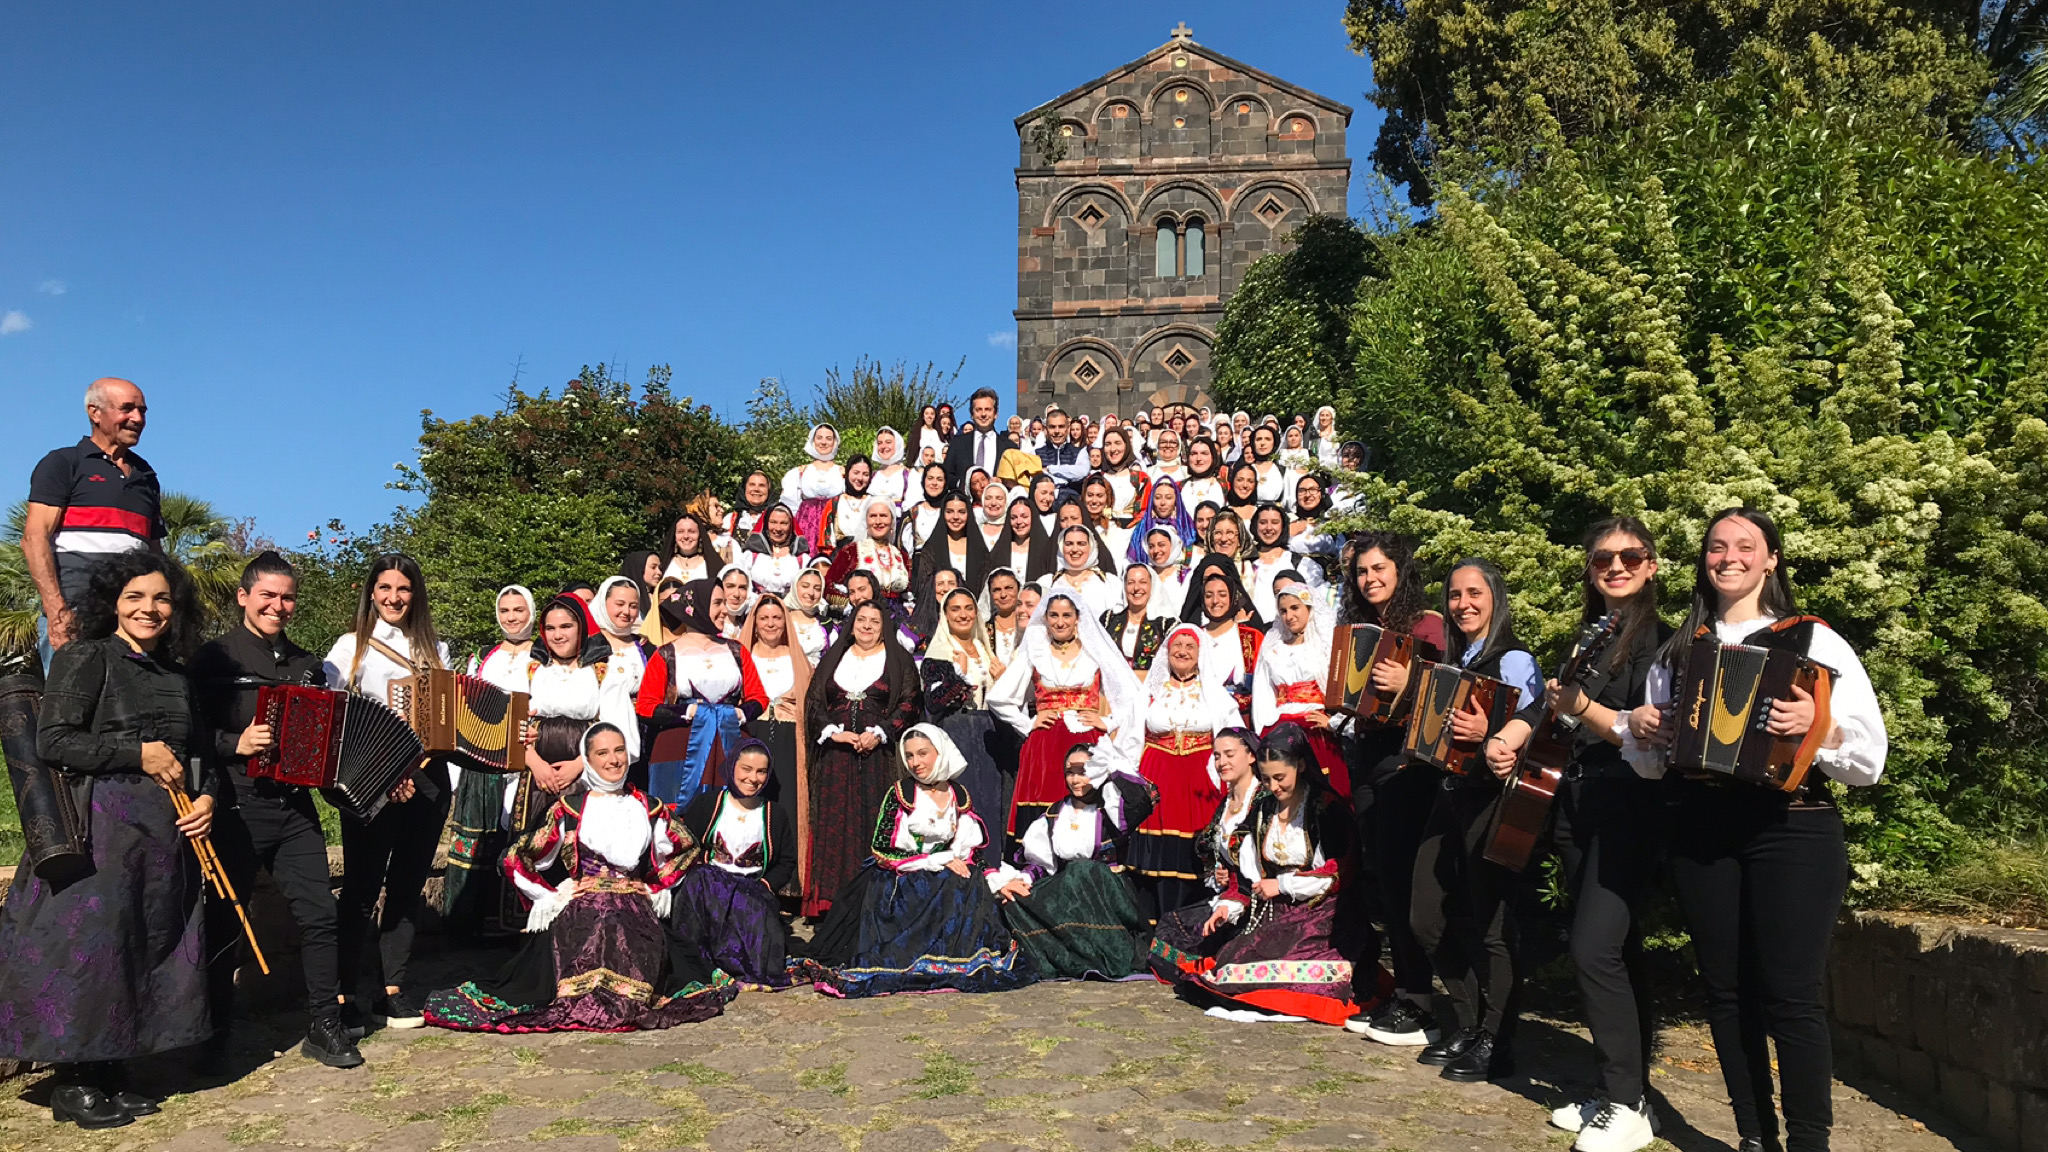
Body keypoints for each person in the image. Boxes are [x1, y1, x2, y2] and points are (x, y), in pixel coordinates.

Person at [1625, 509, 1886, 1152]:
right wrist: (1643, 731)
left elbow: (1869, 760)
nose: (1730, 556)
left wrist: (1816, 727)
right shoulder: (1678, 646)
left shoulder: (1814, 640)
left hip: (1792, 828)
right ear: (1704, 560)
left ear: (1771, 559)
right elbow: (1654, 765)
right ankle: (1753, 1136)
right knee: (1726, 991)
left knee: (1791, 996)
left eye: (1747, 546)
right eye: (1717, 546)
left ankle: (1808, 1142)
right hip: (1702, 828)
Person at [0, 552, 214, 1126]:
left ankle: (114, 1069)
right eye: (136, 597)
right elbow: (55, 741)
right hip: (101, 829)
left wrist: (206, 800)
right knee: (91, 951)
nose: (151, 609)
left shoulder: (175, 674)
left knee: (139, 948)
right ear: (113, 604)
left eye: (162, 598)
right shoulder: (85, 657)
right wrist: (136, 753)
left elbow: (199, 756)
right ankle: (76, 1082)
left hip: (163, 837)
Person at [1489, 519, 1672, 1151]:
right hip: (1574, 798)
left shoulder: (1665, 643)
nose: (1615, 567)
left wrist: (1579, 707)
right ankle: (1621, 1087)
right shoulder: (1592, 635)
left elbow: (1648, 731)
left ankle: (1626, 1102)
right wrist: (1514, 738)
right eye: (1602, 559)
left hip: (1628, 803)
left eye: (1630, 556)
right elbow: (1554, 709)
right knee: (1615, 951)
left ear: (1651, 565)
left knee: (1595, 948)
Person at [424, 724, 736, 1032]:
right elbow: (515, 858)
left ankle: (621, 996)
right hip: (580, 907)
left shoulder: (648, 807)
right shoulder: (569, 809)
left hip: (634, 909)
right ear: (588, 760)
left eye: (619, 751)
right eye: (602, 753)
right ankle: (586, 996)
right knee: (595, 923)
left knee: (619, 924)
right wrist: (551, 895)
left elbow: (688, 847)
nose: (613, 760)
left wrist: (655, 887)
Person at [190, 554, 364, 1069]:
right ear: (244, 596)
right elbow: (188, 735)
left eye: (287, 597)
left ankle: (324, 1025)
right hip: (233, 806)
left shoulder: (309, 665)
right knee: (223, 921)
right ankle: (213, 1033)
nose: (278, 606)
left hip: (293, 809)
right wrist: (233, 742)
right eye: (268, 595)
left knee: (320, 916)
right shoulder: (212, 660)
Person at [1408, 559, 1545, 1083]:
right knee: (1425, 914)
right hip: (1449, 795)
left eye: (1474, 594)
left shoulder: (1513, 659)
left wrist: (1496, 730)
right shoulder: (1454, 657)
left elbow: (1536, 724)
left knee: (1491, 925)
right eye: (1455, 595)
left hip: (1493, 800)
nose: (1463, 603)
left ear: (1495, 599)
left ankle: (1497, 1039)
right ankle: (1468, 1023)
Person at [795, 725, 1036, 997]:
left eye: (923, 754)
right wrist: (936, 859)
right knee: (945, 880)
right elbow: (882, 851)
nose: (915, 763)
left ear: (940, 753)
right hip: (900, 877)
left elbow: (970, 854)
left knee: (967, 881)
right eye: (909, 756)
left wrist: (995, 882)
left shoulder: (959, 796)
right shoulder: (901, 794)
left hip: (945, 876)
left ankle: (948, 956)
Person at [1178, 724, 1382, 1026]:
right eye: (1266, 779)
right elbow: (1245, 874)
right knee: (1231, 967)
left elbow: (1341, 870)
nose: (1273, 787)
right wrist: (1229, 905)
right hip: (1275, 909)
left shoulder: (1326, 809)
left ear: (1300, 765)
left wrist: (1284, 884)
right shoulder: (1263, 811)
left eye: (1280, 778)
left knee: (1292, 968)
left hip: (1323, 910)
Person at [322, 553, 450, 1031]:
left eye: (403, 588)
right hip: (371, 780)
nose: (394, 597)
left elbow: (444, 722)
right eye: (385, 588)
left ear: (415, 594)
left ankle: (392, 988)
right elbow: (332, 702)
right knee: (360, 884)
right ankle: (345, 990)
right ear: (371, 593)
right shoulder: (348, 647)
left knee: (407, 884)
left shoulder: (438, 648)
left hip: (428, 780)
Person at [1341, 533, 1454, 1046]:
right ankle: (1408, 991)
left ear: (1400, 570)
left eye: (1379, 568)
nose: (1371, 579)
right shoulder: (1362, 628)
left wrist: (1408, 681)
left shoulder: (1426, 625)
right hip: (1367, 751)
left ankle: (1422, 1001)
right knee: (1382, 878)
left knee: (1407, 878)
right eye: (1363, 572)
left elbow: (1444, 687)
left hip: (1407, 758)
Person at [25, 378, 164, 669]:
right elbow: (34, 538)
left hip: (132, 618)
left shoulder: (146, 475)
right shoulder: (63, 463)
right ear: (94, 412)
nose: (137, 418)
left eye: (142, 411)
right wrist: (57, 613)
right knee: (71, 707)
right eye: (127, 409)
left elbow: (154, 555)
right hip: (76, 614)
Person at [988, 743, 1155, 978]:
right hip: (1068, 892)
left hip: (1107, 894)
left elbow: (1142, 799)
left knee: (1083, 871)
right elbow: (1040, 864)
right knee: (1014, 901)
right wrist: (1024, 881)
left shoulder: (1111, 809)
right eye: (1070, 772)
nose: (1076, 779)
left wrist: (1112, 766)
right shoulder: (1055, 814)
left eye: (1083, 771)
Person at [801, 601, 922, 916]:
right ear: (851, 624)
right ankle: (830, 902)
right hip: (835, 760)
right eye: (861, 620)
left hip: (878, 758)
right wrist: (832, 732)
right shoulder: (832, 659)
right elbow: (814, 703)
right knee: (834, 824)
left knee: (872, 821)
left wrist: (880, 732)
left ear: (884, 628)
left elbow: (910, 703)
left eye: (875, 621)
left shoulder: (899, 661)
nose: (867, 626)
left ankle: (873, 901)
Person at [988, 592, 1141, 837]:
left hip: (1087, 742)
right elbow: (997, 697)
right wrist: (1027, 723)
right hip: (1044, 745)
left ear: (1077, 618)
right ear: (1046, 618)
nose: (1060, 622)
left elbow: (1132, 694)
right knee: (1043, 810)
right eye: (1054, 615)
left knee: (1088, 807)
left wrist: (1108, 722)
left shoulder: (1094, 651)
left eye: (1066, 615)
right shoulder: (1036, 652)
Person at [445, 585, 540, 937]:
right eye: (505, 611)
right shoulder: (484, 657)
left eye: (519, 610)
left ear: (531, 612)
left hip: (523, 760)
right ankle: (466, 926)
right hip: (481, 762)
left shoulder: (543, 656)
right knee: (476, 842)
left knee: (517, 837)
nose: (512, 617)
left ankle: (513, 928)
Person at [1126, 624, 1237, 925]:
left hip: (1200, 780)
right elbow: (1133, 736)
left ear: (1200, 653)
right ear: (1167, 652)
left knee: (1197, 853)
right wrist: (1131, 783)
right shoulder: (1150, 692)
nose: (1183, 651)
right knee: (1156, 860)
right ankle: (1154, 927)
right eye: (1178, 645)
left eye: (1190, 645)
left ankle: (1194, 923)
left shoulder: (1215, 694)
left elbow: (1234, 734)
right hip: (1157, 780)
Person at [668, 739, 798, 988]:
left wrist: (765, 886)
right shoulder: (709, 804)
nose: (753, 778)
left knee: (760, 958)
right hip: (709, 887)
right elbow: (687, 845)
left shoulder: (774, 813)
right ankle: (700, 964)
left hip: (751, 889)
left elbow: (786, 861)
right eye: (746, 769)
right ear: (732, 768)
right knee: (698, 882)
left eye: (761, 771)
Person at [637, 580, 769, 812]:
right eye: (717, 603)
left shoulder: (736, 650)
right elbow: (646, 706)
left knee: (731, 811)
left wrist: (741, 713)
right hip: (680, 745)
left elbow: (759, 697)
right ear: (696, 607)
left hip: (731, 739)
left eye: (724, 603)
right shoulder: (667, 654)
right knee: (677, 814)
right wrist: (686, 712)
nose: (725, 610)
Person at [1147, 727, 1262, 981]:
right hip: (1227, 896)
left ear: (1251, 756)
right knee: (1171, 925)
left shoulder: (1263, 800)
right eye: (1217, 756)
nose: (1222, 762)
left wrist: (1235, 881)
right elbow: (1212, 854)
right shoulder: (1226, 803)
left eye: (1229, 754)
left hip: (1257, 900)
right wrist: (1218, 874)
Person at [1253, 574, 1350, 800]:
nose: (1289, 616)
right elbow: (1263, 693)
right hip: (1280, 724)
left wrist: (1334, 721)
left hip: (1315, 726)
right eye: (1283, 611)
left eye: (1295, 608)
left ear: (1309, 608)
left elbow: (1339, 687)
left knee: (1324, 791)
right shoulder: (1273, 649)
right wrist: (1264, 729)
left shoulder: (1325, 645)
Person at [1179, 554, 1265, 726]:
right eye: (1209, 595)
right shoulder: (1193, 638)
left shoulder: (1251, 638)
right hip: (1199, 725)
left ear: (1233, 598)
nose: (1215, 601)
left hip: (1241, 726)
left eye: (1222, 594)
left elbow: (1264, 690)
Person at [825, 500, 912, 611]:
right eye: (873, 516)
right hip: (862, 613)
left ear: (892, 521)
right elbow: (829, 586)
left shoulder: (901, 556)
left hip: (896, 616)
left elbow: (908, 593)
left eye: (883, 516)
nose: (878, 521)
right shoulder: (851, 551)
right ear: (866, 521)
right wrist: (851, 603)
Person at [781, 424, 847, 554]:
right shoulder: (799, 472)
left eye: (828, 438)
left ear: (835, 442)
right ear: (813, 440)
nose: (823, 442)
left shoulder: (843, 472)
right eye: (819, 438)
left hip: (834, 523)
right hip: (806, 523)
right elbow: (789, 506)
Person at [914, 491, 989, 596]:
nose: (955, 517)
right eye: (949, 511)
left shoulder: (978, 548)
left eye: (961, 512)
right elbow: (924, 586)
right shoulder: (933, 548)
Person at [1041, 524, 1123, 620]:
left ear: (1091, 547)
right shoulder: (1047, 583)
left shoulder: (1109, 583)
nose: (1075, 549)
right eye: (1069, 544)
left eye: (1081, 544)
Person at [945, 387, 1019, 493]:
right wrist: (963, 484)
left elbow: (1018, 482)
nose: (983, 414)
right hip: (966, 505)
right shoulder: (958, 443)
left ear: (996, 414)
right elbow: (946, 474)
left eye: (988, 409)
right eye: (978, 410)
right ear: (972, 414)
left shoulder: (1010, 447)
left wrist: (1002, 482)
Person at [1102, 564, 1169, 671]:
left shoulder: (1165, 623)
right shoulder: (1109, 619)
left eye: (1143, 582)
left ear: (1152, 586)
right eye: (1131, 583)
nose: (1136, 588)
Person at [740, 504, 810, 599]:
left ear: (791, 526)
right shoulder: (751, 556)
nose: (778, 528)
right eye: (773, 522)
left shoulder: (801, 559)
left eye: (784, 523)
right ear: (766, 524)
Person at [997, 496, 1056, 585]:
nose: (1019, 522)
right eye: (1013, 518)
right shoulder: (1001, 550)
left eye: (1024, 516)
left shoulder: (1046, 549)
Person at [1098, 428, 1149, 524]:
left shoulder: (1141, 479)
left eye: (1118, 443)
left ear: (1127, 446)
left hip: (1132, 532)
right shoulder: (1096, 479)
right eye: (1108, 444)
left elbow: (1144, 511)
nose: (1113, 449)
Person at [899, 462, 951, 556]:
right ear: (923, 481)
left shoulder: (952, 512)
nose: (934, 483)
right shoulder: (912, 513)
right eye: (930, 478)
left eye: (939, 479)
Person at [981, 567, 1028, 667]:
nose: (1003, 595)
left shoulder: (1028, 624)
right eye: (996, 590)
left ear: (1019, 589)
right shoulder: (984, 629)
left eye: (1008, 588)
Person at [1143, 526, 1191, 619]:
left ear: (1173, 545)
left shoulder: (1185, 575)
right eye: (1151, 546)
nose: (1156, 550)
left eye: (1161, 545)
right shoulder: (1144, 574)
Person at [786, 565, 831, 662]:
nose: (811, 592)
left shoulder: (827, 626)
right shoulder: (779, 622)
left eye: (817, 588)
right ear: (794, 587)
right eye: (805, 586)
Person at [722, 470, 778, 544]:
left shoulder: (777, 519)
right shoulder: (731, 519)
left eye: (762, 485)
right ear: (744, 489)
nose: (756, 489)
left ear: (769, 491)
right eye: (752, 484)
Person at [659, 514, 717, 585]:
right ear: (674, 536)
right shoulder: (664, 564)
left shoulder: (712, 565)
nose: (686, 536)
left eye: (691, 531)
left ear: (700, 536)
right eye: (680, 531)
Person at [868, 427, 913, 510]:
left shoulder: (908, 475)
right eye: (880, 443)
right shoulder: (872, 476)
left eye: (888, 442)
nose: (883, 446)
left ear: (897, 445)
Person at [974, 479, 1011, 551]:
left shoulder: (1013, 529)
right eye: (988, 498)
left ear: (1006, 502)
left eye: (999, 498)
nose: (993, 503)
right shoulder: (975, 529)